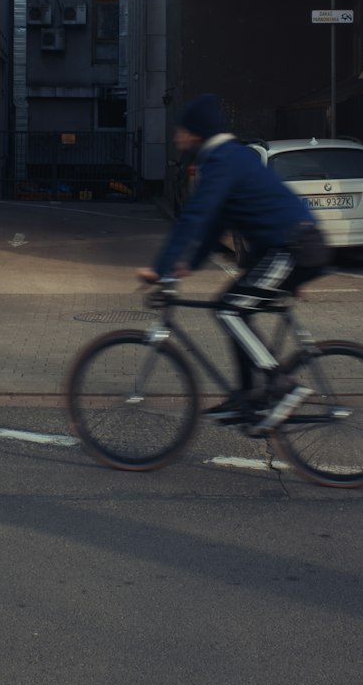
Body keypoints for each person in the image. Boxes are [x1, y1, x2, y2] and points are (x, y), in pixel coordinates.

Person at [136, 93, 327, 431]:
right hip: (289, 248)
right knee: (233, 308)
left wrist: (161, 268)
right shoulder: (228, 157)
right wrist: (188, 264)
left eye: (181, 131)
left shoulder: (223, 159)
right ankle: (249, 397)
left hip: (293, 248)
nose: (178, 139)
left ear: (196, 132)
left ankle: (281, 387)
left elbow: (194, 217)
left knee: (229, 310)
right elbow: (215, 224)